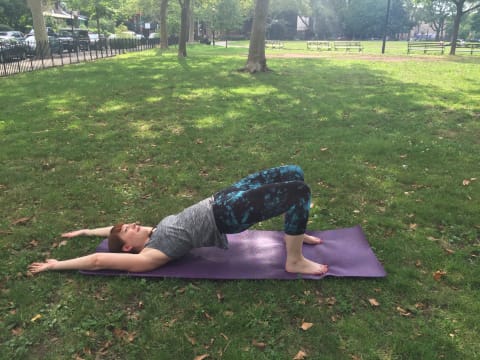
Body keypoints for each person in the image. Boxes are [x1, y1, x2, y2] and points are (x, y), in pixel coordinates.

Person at [29, 165, 328, 276]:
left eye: (128, 224)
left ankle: (295, 233)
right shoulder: (151, 253)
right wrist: (57, 265)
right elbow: (97, 260)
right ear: (128, 249)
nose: (131, 224)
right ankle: (295, 260)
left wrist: (83, 230)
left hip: (222, 196)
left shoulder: (151, 232)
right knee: (300, 192)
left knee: (294, 172)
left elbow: (111, 232)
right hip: (227, 214)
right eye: (127, 231)